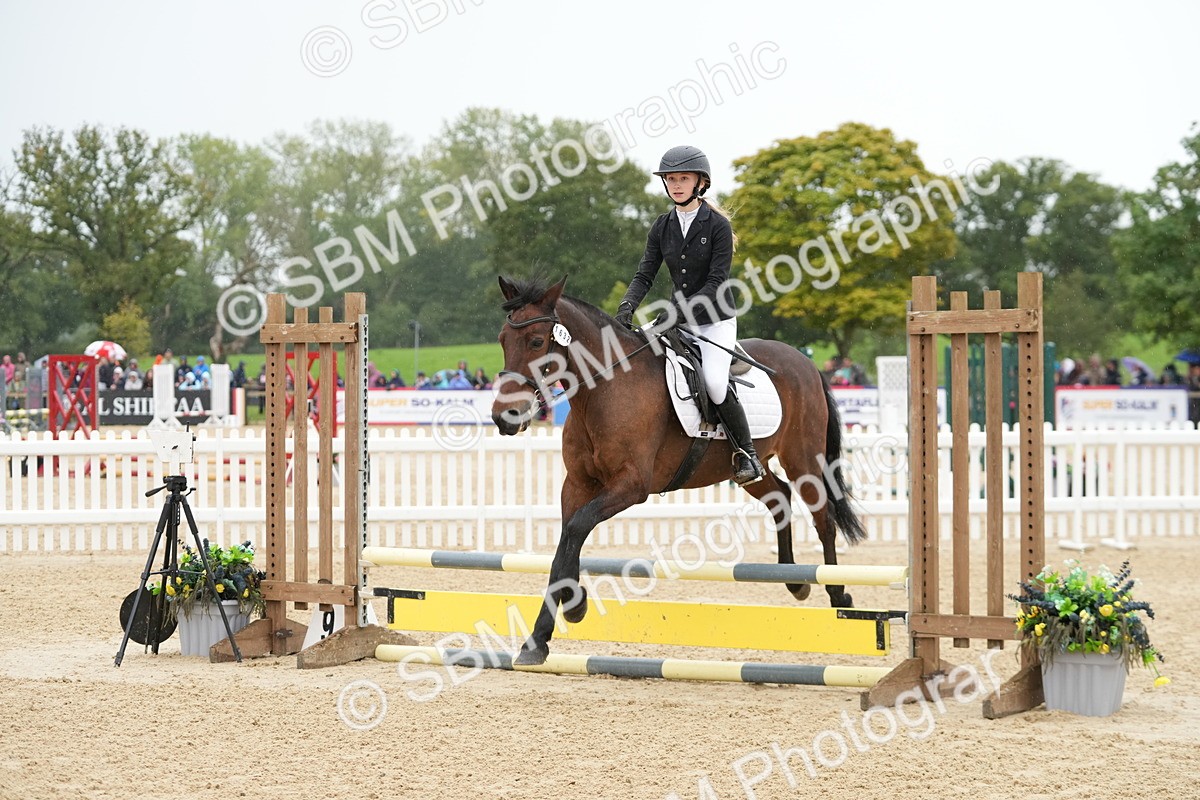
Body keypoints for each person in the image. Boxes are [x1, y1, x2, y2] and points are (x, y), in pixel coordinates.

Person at [614, 145, 765, 485]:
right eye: (671, 179)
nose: (676, 185)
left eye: (683, 178)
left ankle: (748, 455)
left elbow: (715, 282)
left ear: (700, 182)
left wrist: (678, 314)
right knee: (639, 361)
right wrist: (626, 307)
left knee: (713, 381)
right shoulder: (662, 225)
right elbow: (644, 274)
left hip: (714, 321)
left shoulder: (718, 226)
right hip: (675, 319)